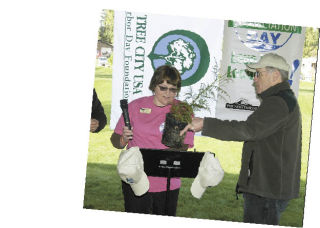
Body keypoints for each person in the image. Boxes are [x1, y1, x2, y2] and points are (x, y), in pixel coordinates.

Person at [180, 53, 302, 225]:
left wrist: (205, 124)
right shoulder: (280, 100)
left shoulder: (277, 102)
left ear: (275, 75)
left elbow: (248, 130)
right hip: (267, 187)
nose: (254, 80)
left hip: (267, 191)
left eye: (258, 74)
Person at [110, 65, 195, 216]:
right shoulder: (136, 106)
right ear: (153, 86)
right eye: (163, 88)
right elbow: (115, 141)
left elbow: (184, 147)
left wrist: (156, 158)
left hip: (167, 182)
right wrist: (123, 139)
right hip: (135, 179)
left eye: (173, 89)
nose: (168, 94)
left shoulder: (182, 110)